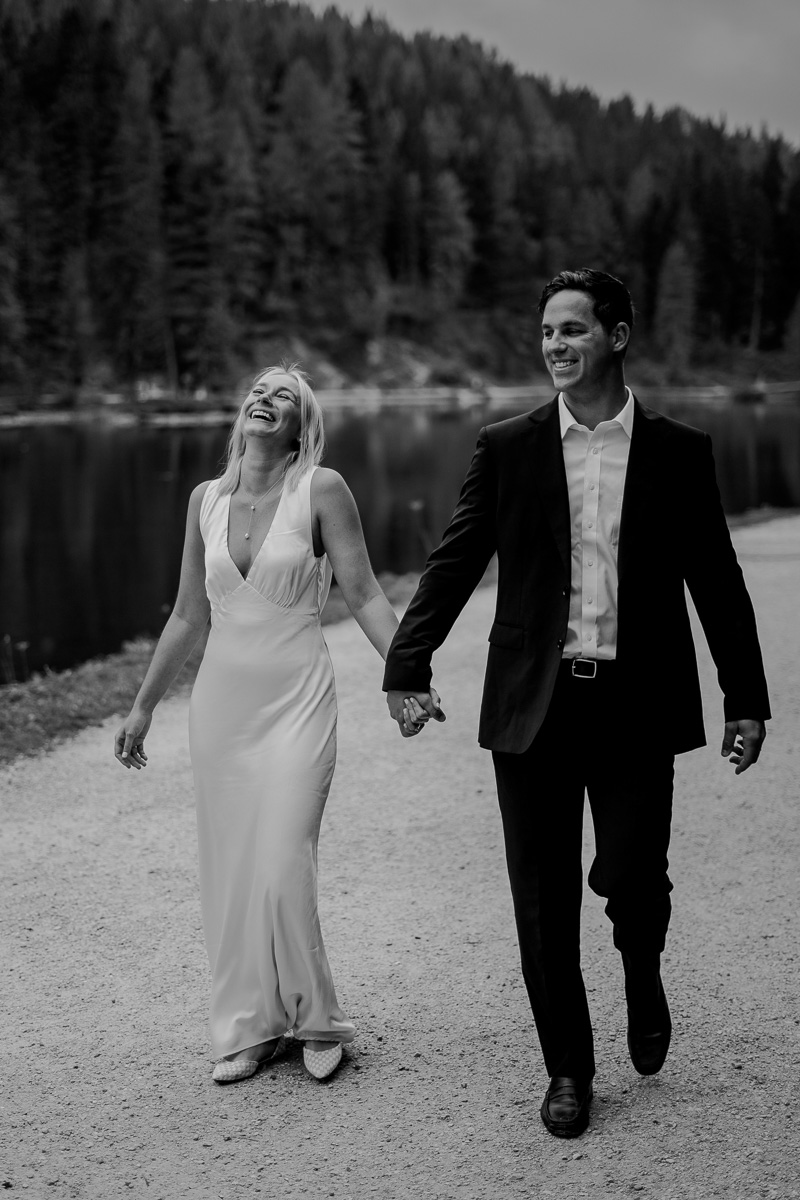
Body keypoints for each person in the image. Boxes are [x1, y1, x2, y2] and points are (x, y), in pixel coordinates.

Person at [383, 269, 770, 1137]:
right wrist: (407, 662)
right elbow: (454, 560)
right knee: (542, 896)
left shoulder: (678, 450)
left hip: (636, 703)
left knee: (634, 877)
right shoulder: (508, 446)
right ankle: (568, 1068)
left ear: (619, 336)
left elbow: (716, 578)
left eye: (574, 330)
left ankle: (643, 966)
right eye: (548, 331)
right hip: (535, 704)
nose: (555, 345)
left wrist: (744, 694)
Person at [115, 365, 400, 1084]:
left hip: (297, 698)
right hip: (222, 709)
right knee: (233, 873)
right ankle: (249, 1024)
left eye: (284, 396)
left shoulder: (321, 489)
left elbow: (363, 592)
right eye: (258, 390)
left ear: (302, 425)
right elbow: (188, 614)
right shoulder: (205, 500)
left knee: (280, 862)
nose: (265, 399)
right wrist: (144, 706)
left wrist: (408, 673)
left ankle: (314, 1017)